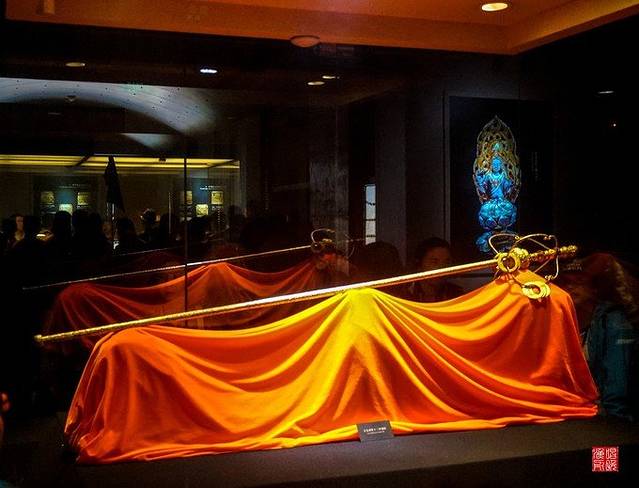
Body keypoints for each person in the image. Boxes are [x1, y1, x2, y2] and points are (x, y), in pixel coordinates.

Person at [557, 254, 638, 420]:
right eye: (567, 282)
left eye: (579, 282)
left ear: (593, 288)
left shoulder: (613, 321)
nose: (571, 287)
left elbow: (617, 377)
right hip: (580, 408)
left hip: (605, 415)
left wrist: (615, 420)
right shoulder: (565, 318)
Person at [408, 237, 463, 302]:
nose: (442, 268)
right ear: (419, 264)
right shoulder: (404, 294)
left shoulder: (456, 294)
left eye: (447, 262)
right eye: (434, 262)